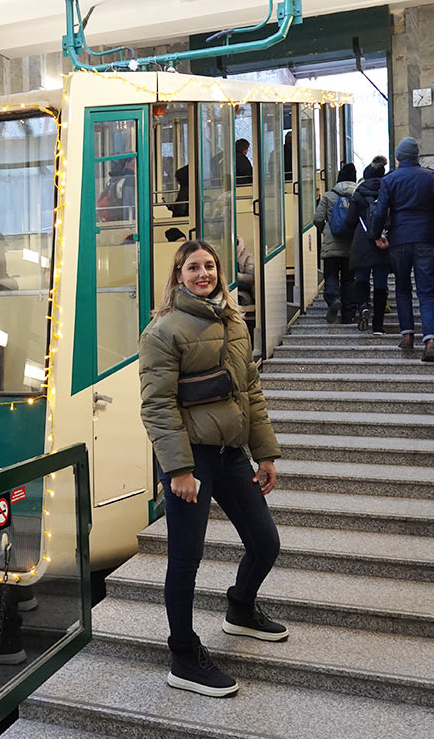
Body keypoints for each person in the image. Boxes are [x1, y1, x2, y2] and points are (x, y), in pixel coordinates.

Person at [138, 240, 286, 698]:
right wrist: (179, 469)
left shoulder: (235, 321)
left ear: (220, 272)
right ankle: (183, 654)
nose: (203, 273)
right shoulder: (162, 331)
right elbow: (158, 406)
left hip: (231, 455)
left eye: (209, 266)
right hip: (192, 459)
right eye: (192, 267)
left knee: (265, 542)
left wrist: (265, 452)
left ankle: (240, 607)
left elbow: (251, 393)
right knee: (186, 559)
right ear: (178, 275)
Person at [368, 137, 434, 362]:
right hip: (426, 238)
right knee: (427, 291)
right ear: (417, 156)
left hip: (400, 239)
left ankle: (408, 336)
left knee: (402, 288)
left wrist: (375, 235)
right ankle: (431, 340)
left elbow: (380, 211)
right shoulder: (432, 177)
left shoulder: (389, 179)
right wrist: (432, 228)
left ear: (398, 157)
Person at [345, 157, 391, 333]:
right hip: (382, 242)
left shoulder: (358, 193)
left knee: (361, 280)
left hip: (362, 242)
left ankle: (363, 306)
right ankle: (378, 325)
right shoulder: (388, 191)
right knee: (381, 284)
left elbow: (349, 221)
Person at [313, 162, 359, 324]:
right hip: (352, 245)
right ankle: (348, 316)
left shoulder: (328, 195)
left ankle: (333, 299)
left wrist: (325, 230)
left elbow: (317, 218)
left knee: (331, 275)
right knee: (348, 280)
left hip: (331, 245)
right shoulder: (358, 195)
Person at [235, 235, 256, 307]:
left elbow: (251, 278)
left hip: (244, 286)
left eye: (237, 242)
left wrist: (236, 275)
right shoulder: (228, 256)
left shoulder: (248, 257)